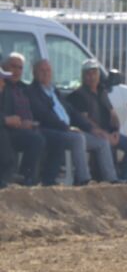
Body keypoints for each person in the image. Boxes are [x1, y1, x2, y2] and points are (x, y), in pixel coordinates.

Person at [27, 58, 120, 184]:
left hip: (69, 130)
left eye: (48, 70)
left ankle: (111, 179)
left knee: (102, 141)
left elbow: (73, 113)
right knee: (78, 139)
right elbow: (44, 115)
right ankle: (84, 179)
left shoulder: (54, 91)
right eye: (42, 70)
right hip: (52, 130)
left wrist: (92, 129)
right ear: (34, 73)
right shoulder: (32, 92)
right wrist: (66, 127)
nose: (46, 73)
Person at [2, 54, 89, 186]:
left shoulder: (23, 88)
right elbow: (41, 112)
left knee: (58, 138)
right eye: (13, 66)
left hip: (31, 126)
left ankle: (49, 180)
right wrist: (15, 122)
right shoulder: (5, 88)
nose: (16, 71)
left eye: (20, 68)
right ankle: (26, 178)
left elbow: (68, 111)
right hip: (9, 129)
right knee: (37, 139)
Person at [68, 59, 127, 183]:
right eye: (88, 73)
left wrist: (115, 131)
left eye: (94, 73)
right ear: (83, 76)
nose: (91, 77)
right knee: (103, 142)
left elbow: (113, 114)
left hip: (108, 133)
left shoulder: (102, 92)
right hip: (94, 133)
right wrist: (104, 134)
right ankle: (112, 180)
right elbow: (85, 120)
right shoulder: (79, 95)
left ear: (99, 75)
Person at [0, 65, 45, 187]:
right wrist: (5, 119)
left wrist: (16, 121)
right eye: (1, 80)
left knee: (36, 138)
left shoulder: (11, 90)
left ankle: (25, 177)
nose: (3, 83)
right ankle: (5, 178)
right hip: (5, 129)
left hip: (10, 128)